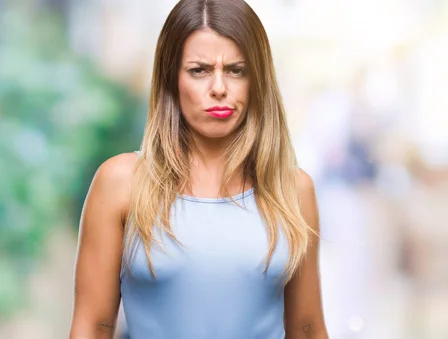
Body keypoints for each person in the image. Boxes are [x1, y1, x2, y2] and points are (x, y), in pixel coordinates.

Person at [69, 0, 328, 338]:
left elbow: (307, 329)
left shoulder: (292, 189)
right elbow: (93, 325)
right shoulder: (120, 182)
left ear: (257, 80)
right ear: (171, 79)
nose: (218, 87)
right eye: (199, 70)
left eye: (236, 70)